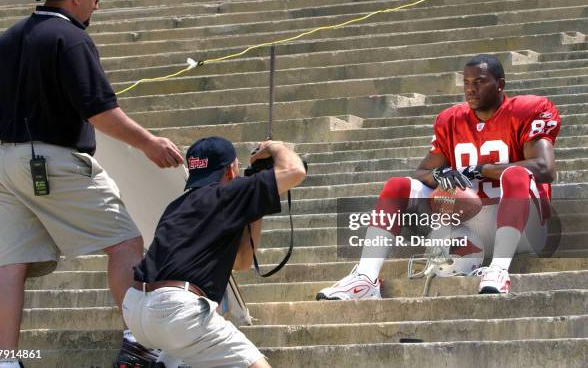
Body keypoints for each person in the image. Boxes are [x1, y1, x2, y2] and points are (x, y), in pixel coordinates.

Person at [0, 0, 184, 368]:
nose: (96, 6)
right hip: (49, 160)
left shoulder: (6, 38)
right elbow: (99, 112)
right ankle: (139, 342)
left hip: (0, 161)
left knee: (11, 265)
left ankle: (7, 361)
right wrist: (148, 143)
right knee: (126, 243)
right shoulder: (70, 37)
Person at [317, 54, 560, 300]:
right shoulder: (451, 120)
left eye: (479, 82)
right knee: (398, 186)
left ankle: (498, 269)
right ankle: (366, 278)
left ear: (500, 84)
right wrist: (439, 173)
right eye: (466, 82)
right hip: (471, 226)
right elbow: (421, 172)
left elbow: (544, 167)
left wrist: (483, 169)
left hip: (526, 229)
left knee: (516, 174)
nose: (470, 89)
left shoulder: (528, 110)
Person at [122, 136, 306, 368]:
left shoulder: (177, 206)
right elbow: (295, 170)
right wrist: (274, 147)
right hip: (176, 310)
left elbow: (241, 262)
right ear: (231, 169)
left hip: (138, 311)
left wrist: (255, 205)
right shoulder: (229, 194)